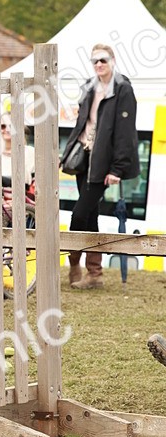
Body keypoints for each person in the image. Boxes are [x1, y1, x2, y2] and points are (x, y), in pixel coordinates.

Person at [63, 43, 139, 290]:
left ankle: (74, 261)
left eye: (103, 60)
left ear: (113, 61)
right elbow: (81, 124)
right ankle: (94, 273)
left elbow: (125, 133)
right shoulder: (89, 87)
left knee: (79, 213)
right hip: (84, 157)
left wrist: (117, 169)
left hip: (103, 162)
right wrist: (67, 153)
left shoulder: (123, 90)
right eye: (95, 61)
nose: (99, 65)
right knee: (91, 214)